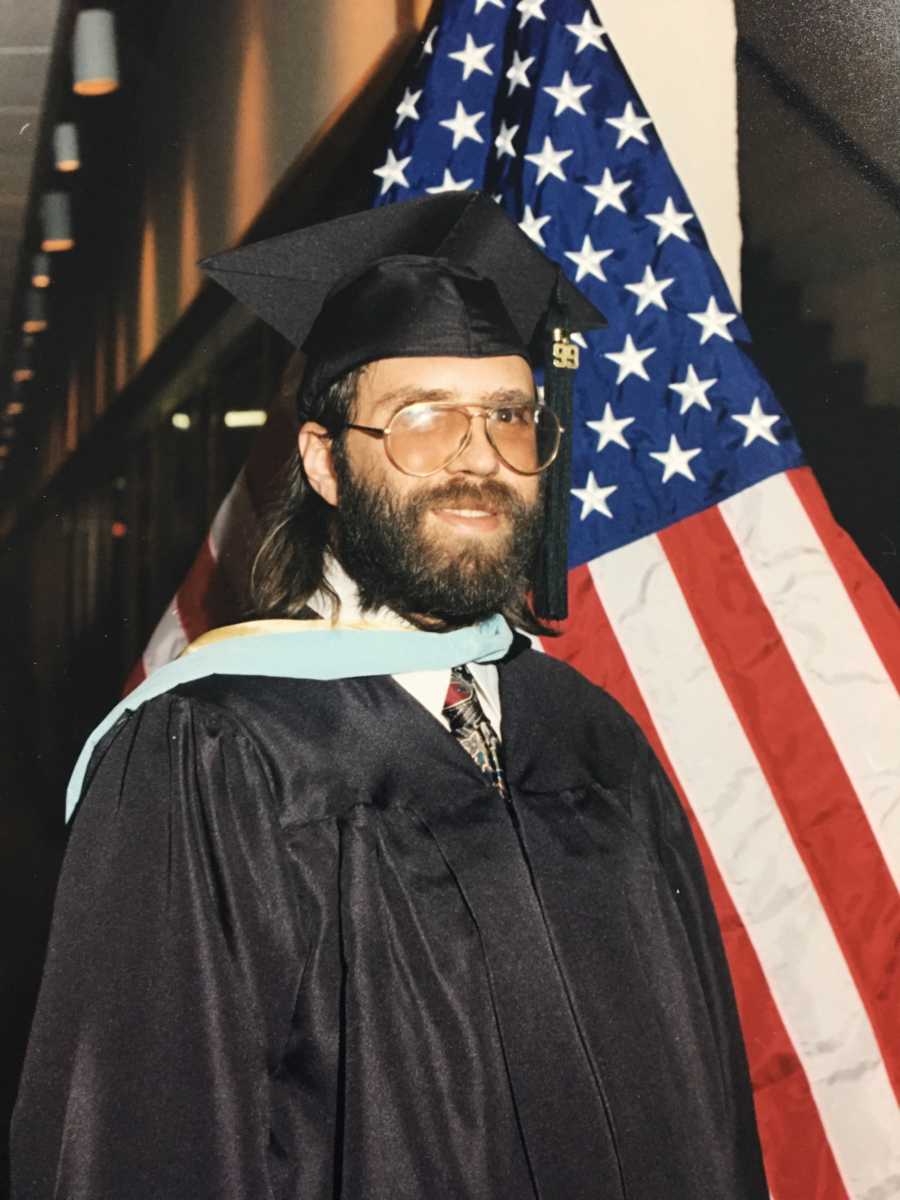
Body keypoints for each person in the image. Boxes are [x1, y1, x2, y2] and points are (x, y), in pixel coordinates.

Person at [11, 193, 768, 1199]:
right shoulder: (214, 752)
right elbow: (137, 1147)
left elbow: (706, 1097)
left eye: (508, 415)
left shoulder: (593, 743)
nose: (476, 456)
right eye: (422, 417)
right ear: (326, 462)